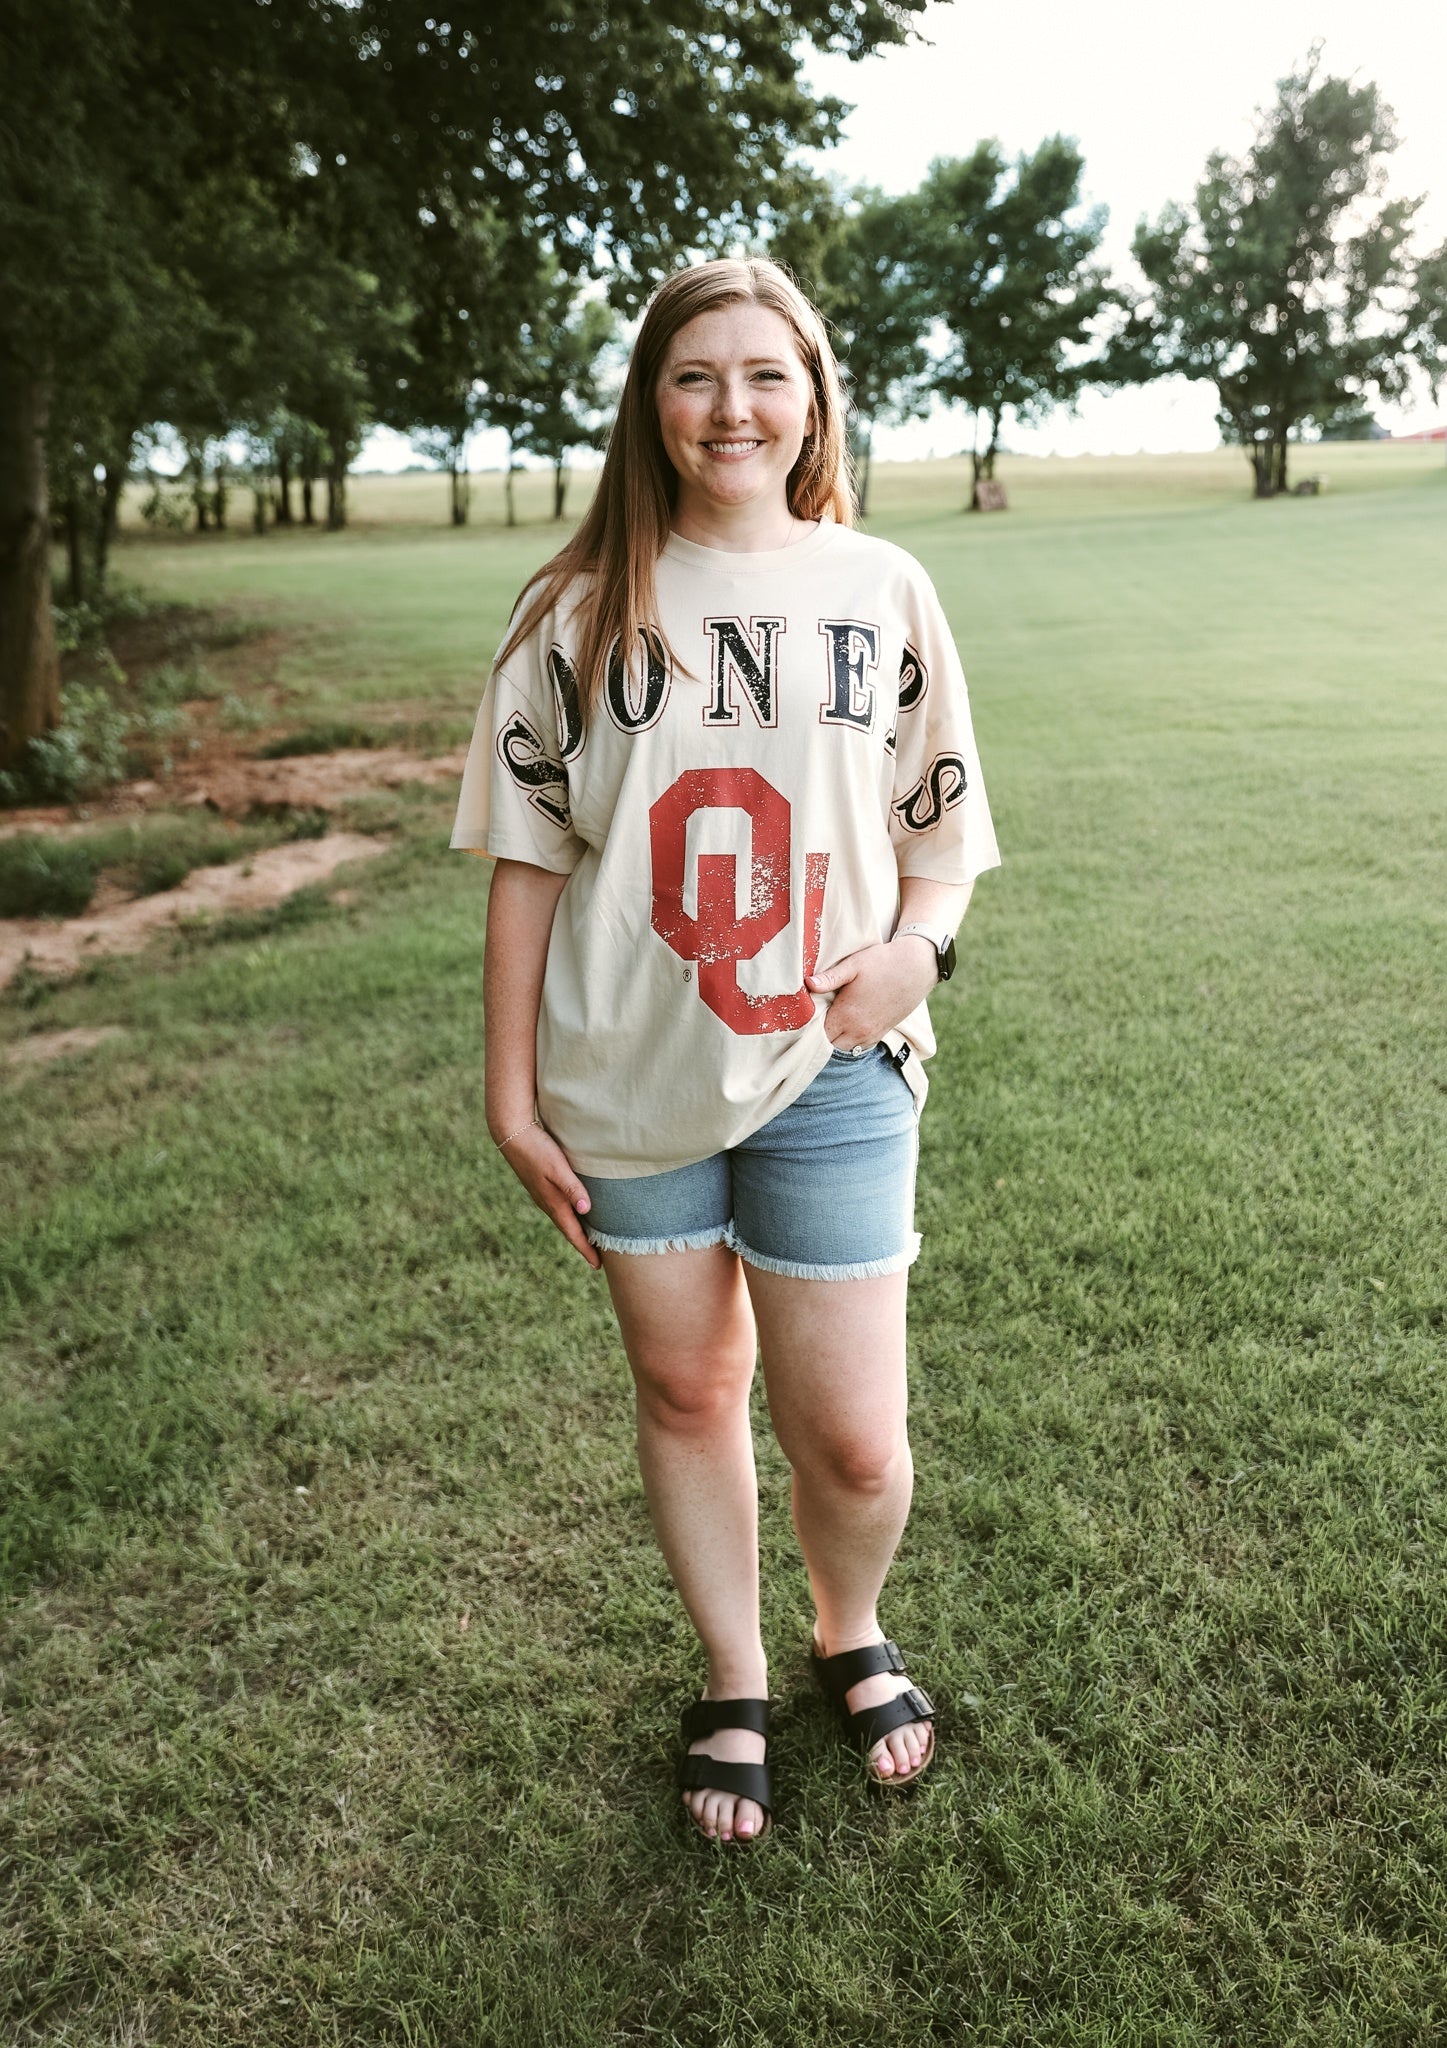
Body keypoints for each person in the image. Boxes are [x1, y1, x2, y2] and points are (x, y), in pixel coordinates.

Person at [452, 257, 999, 1847]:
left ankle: (850, 1626)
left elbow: (941, 833)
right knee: (687, 1387)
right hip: (625, 1065)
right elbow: (529, 865)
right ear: (653, 402)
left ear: (814, 399)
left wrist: (918, 951)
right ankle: (737, 1671)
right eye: (697, 376)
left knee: (853, 1433)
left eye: (767, 374)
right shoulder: (570, 608)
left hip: (829, 1054)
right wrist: (506, 1093)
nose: (732, 407)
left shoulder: (883, 585)